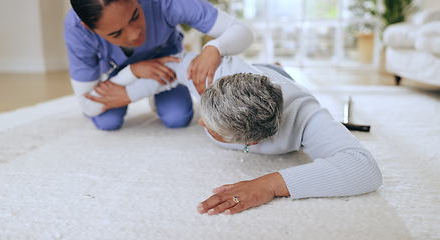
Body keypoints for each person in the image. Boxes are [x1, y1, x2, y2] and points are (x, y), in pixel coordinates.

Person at [113, 52, 383, 215]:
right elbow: (171, 64)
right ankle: (269, 64)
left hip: (283, 82)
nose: (201, 125)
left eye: (211, 128)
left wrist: (271, 184)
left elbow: (363, 169)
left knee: (280, 73)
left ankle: (276, 65)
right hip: (254, 71)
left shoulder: (307, 116)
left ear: (252, 142)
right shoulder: (213, 74)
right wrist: (122, 86)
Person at [64, 0, 253, 130]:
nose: (134, 35)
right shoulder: (77, 29)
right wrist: (133, 72)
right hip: (118, 73)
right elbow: (87, 104)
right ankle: (148, 87)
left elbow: (242, 32)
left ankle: (156, 94)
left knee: (177, 118)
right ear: (89, 28)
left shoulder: (166, 3)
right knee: (107, 122)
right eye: (116, 33)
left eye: (135, 16)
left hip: (167, 61)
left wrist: (214, 48)